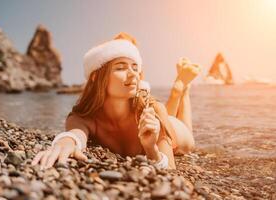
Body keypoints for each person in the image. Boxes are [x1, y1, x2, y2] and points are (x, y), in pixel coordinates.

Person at [31, 32, 201, 170]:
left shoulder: (151, 109)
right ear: (96, 77)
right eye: (120, 67)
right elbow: (75, 134)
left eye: (135, 68)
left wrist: (152, 150)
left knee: (187, 142)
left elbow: (170, 168)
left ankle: (184, 90)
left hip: (177, 134)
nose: (133, 73)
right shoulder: (83, 117)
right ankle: (181, 90)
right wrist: (65, 141)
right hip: (156, 118)